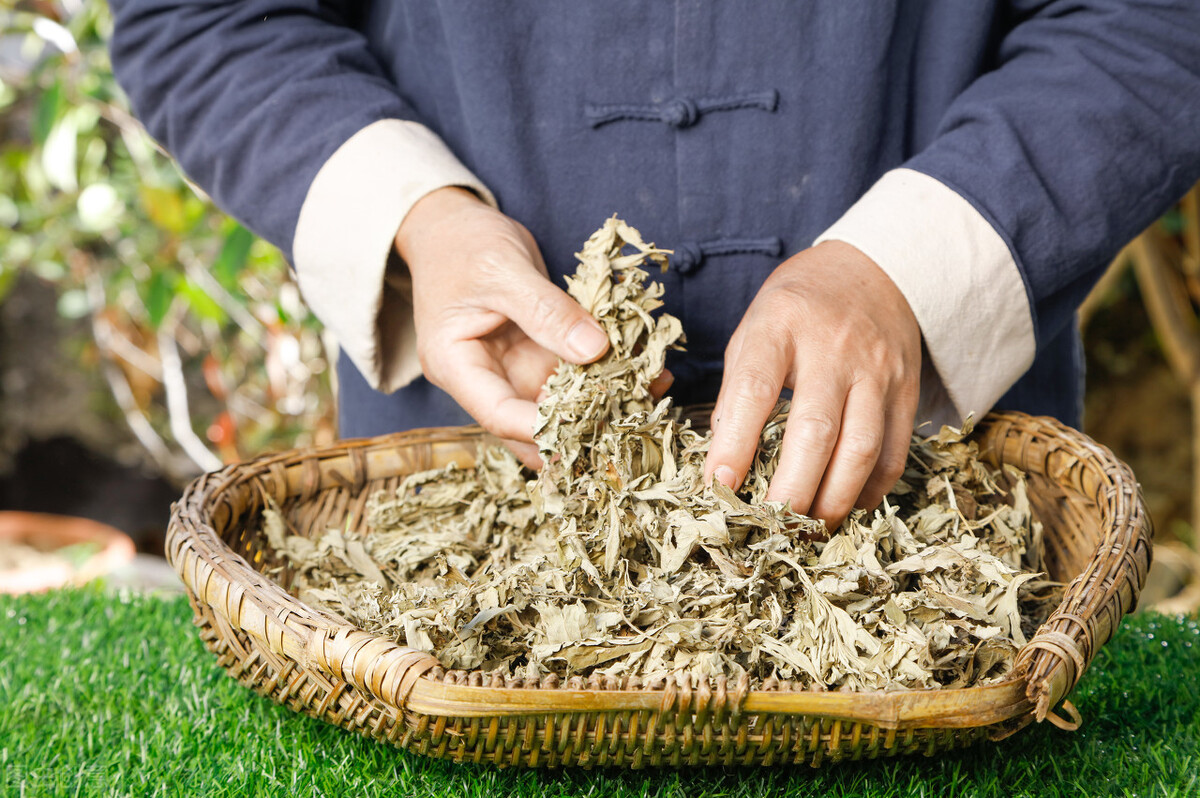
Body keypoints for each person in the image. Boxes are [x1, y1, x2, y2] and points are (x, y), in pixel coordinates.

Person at [108, 2, 1200, 525]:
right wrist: (424, 220)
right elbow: (201, 18)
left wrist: (902, 273)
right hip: (463, 532)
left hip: (939, 523)